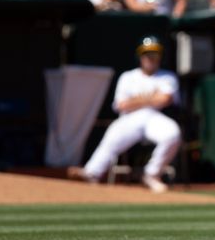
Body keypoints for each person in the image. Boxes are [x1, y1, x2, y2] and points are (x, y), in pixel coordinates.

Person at [67, 36, 181, 193]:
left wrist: (137, 99)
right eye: (146, 54)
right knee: (113, 134)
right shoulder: (128, 77)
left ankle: (152, 175)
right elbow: (122, 104)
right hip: (130, 119)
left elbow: (165, 98)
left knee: (172, 134)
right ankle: (91, 173)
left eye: (154, 53)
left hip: (154, 117)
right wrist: (151, 97)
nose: (150, 57)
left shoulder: (167, 76)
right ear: (140, 56)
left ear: (160, 56)